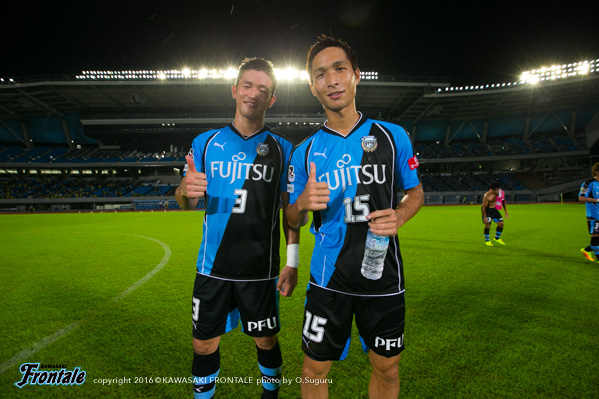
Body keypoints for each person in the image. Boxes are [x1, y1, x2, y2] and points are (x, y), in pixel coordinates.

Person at [286, 35, 424, 398]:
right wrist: (300, 203)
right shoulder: (304, 152)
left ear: (356, 75)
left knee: (387, 367)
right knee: (314, 368)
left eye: (339, 69)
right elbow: (291, 219)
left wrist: (401, 214)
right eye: (320, 74)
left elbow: (416, 192)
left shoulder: (393, 137)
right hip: (328, 278)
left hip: (383, 276)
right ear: (312, 87)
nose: (331, 80)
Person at [175, 57, 299, 399]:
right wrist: (185, 191)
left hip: (260, 270)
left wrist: (293, 260)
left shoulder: (283, 150)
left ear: (271, 99)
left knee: (266, 339)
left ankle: (270, 396)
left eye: (263, 89)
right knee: (203, 346)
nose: (254, 94)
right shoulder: (205, 143)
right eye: (248, 85)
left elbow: (291, 214)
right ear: (235, 90)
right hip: (212, 268)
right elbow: (186, 203)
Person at [578, 162, 599, 263]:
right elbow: (581, 197)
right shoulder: (589, 183)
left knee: (597, 238)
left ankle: (586, 250)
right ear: (596, 171)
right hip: (594, 214)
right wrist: (597, 200)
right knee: (595, 236)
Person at [481, 181, 506, 246]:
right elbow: (484, 207)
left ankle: (497, 238)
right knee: (488, 225)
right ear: (492, 190)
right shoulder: (487, 195)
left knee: (501, 224)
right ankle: (487, 241)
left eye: (498, 189)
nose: (497, 191)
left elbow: (503, 201)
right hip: (487, 210)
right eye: (496, 190)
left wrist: (505, 211)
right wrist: (485, 217)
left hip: (494, 210)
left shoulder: (499, 193)